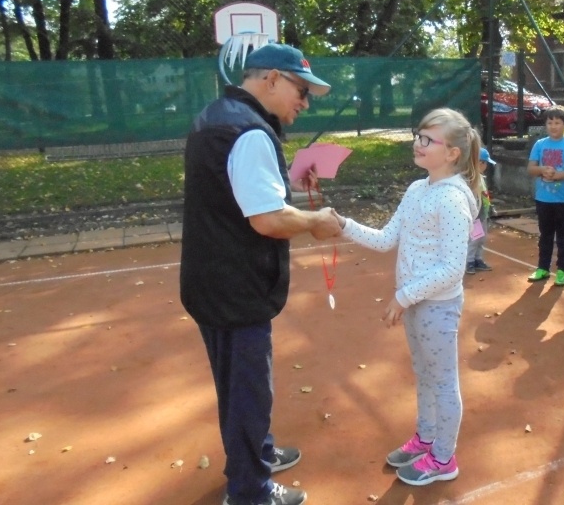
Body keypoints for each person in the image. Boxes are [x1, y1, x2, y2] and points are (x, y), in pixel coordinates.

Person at [179, 43, 342, 505]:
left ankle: (258, 455)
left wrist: (288, 179)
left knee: (235, 382)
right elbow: (267, 219)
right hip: (235, 286)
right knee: (248, 389)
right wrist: (313, 220)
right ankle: (251, 491)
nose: (304, 102)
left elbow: (236, 184)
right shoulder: (248, 131)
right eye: (301, 90)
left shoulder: (219, 115)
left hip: (212, 280)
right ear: (271, 78)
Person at [332, 108, 481, 487]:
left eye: (428, 139)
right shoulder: (418, 189)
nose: (418, 143)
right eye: (418, 135)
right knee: (424, 374)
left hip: (437, 306)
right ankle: (426, 438)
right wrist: (343, 225)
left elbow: (451, 268)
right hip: (415, 304)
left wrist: (403, 297)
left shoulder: (451, 200)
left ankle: (444, 457)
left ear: (452, 153)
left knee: (443, 380)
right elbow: (386, 239)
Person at [526, 106, 564, 286]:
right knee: (545, 235)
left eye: (557, 122)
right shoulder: (540, 144)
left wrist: (557, 175)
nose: (553, 126)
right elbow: (531, 168)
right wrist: (542, 169)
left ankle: (562, 270)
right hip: (543, 199)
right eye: (550, 122)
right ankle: (543, 268)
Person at [466, 147, 496, 274]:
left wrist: (490, 207)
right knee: (475, 239)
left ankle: (478, 259)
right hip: (476, 216)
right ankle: (470, 261)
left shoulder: (481, 177)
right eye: (484, 163)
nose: (485, 166)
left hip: (483, 215)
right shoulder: (471, 179)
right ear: (479, 163)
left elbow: (484, 194)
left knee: (481, 239)